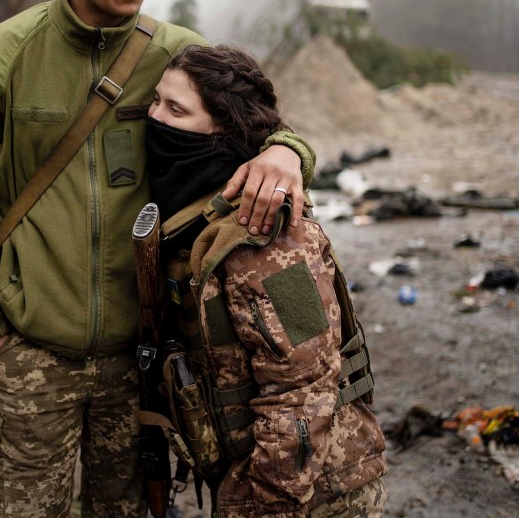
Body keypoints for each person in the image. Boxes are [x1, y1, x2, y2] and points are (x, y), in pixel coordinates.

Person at [0, 0, 315, 516]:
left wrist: (288, 152)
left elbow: (271, 131)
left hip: (142, 365)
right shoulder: (2, 56)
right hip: (32, 356)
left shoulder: (179, 55)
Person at [146, 43, 387, 517]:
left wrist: (268, 507)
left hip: (317, 492)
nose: (155, 119)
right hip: (256, 476)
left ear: (222, 131)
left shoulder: (264, 237)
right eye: (156, 101)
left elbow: (302, 396)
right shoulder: (195, 212)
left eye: (176, 109)